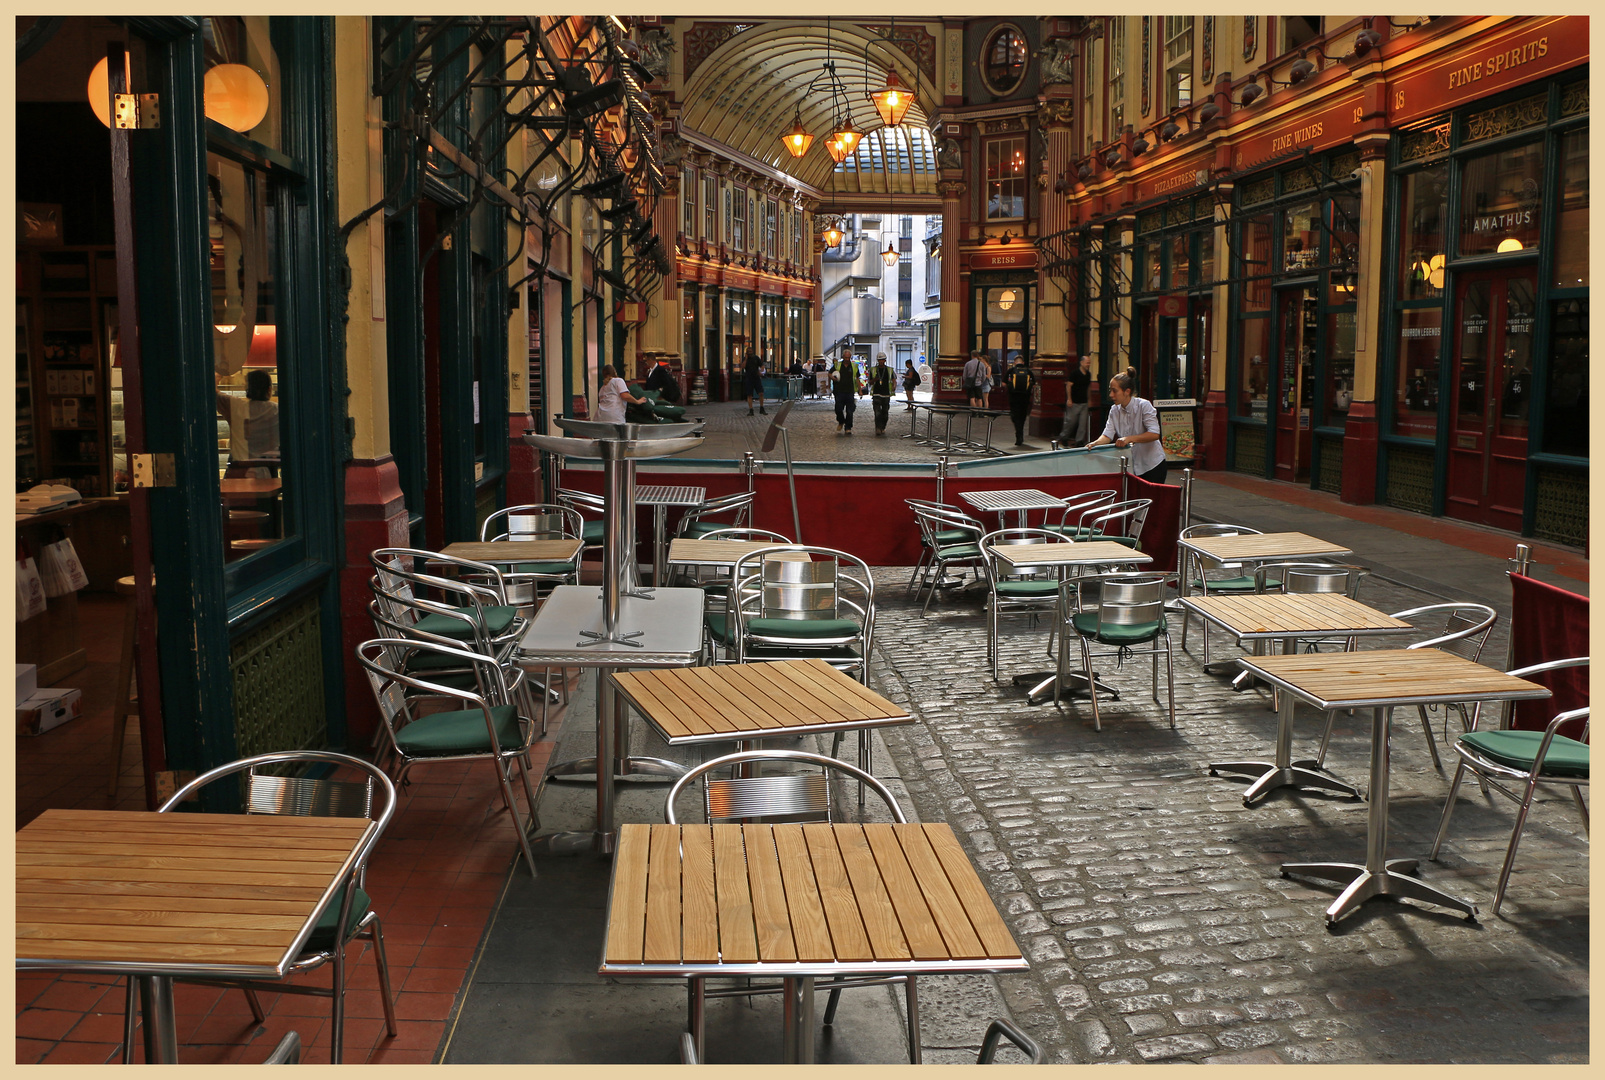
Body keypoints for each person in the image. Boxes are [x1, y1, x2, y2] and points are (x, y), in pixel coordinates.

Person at [1085, 366, 1167, 484]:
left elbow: (1154, 434)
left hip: (1153, 465)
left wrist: (1129, 439)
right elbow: (1107, 435)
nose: (1111, 395)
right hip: (1132, 466)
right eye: (1110, 390)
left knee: (1151, 501)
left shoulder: (1144, 405)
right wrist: (1095, 444)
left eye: (1115, 391)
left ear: (1127, 391)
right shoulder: (1114, 410)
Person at [215, 369, 280, 477]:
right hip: (268, 471)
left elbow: (213, 393)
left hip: (238, 470)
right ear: (269, 389)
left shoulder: (236, 406)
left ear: (247, 389)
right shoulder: (277, 410)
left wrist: (217, 374)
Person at [1058, 355, 1092, 446]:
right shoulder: (1075, 373)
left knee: (1082, 423)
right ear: (1081, 363)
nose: (1088, 364)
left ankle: (1079, 441)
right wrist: (1069, 399)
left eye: (1089, 362)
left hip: (1084, 402)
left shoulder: (1088, 374)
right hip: (1075, 402)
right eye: (1087, 362)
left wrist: (1089, 399)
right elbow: (1068, 385)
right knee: (1071, 422)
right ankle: (1064, 437)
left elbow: (1088, 387)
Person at [1005, 354, 1035, 447]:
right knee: (1022, 416)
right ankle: (1020, 433)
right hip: (1025, 398)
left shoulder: (1011, 371)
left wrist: (1010, 389)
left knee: (1015, 417)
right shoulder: (1028, 371)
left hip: (1013, 398)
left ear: (1015, 362)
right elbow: (1033, 384)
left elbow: (1003, 383)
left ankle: (1018, 435)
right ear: (1023, 362)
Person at [831, 347, 861, 434]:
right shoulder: (837, 365)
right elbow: (829, 373)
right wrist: (832, 378)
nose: (847, 359)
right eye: (846, 357)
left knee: (849, 411)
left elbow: (857, 378)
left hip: (850, 391)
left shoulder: (854, 366)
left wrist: (860, 390)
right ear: (843, 357)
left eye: (849, 357)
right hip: (839, 391)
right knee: (838, 409)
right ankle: (841, 420)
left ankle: (848, 427)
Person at [868, 352, 895, 435]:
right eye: (880, 360)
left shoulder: (890, 370)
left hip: (886, 394)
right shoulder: (873, 370)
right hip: (876, 394)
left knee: (885, 413)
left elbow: (893, 379)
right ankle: (878, 427)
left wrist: (894, 386)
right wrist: (875, 379)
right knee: (877, 412)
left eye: (882, 360)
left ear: (885, 360)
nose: (881, 362)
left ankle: (883, 426)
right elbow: (870, 382)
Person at [742, 351, 766, 416]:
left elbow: (762, 365)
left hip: (756, 378)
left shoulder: (756, 358)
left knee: (761, 393)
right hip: (749, 378)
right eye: (749, 354)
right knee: (749, 395)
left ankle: (761, 408)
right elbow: (743, 366)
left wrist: (761, 370)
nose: (750, 355)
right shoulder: (745, 359)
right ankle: (751, 410)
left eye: (751, 353)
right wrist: (746, 359)